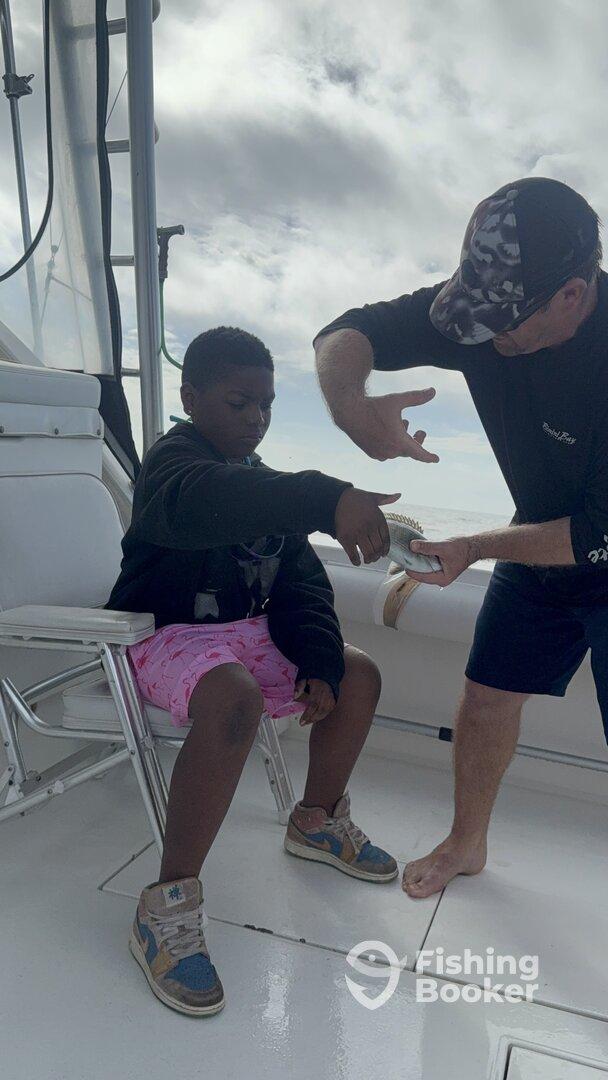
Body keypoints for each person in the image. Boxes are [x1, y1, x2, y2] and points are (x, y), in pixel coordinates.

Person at [313, 176, 608, 901]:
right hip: (538, 539)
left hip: (589, 540)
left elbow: (600, 533)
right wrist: (351, 407)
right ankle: (466, 842)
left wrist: (475, 548)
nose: (481, 337)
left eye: (503, 321)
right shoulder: (480, 310)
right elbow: (347, 331)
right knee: (484, 699)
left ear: (573, 293)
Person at [106, 326, 400, 1017]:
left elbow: (300, 586)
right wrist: (326, 498)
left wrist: (321, 663)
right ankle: (166, 906)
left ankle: (316, 820)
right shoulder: (172, 466)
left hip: (237, 634)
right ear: (191, 397)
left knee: (360, 675)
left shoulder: (260, 483)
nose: (255, 419)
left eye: (265, 406)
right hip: (158, 635)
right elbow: (209, 499)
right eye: (238, 403)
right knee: (234, 697)